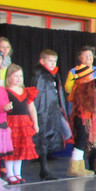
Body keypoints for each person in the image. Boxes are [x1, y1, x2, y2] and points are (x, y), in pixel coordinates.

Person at [64, 46, 96, 177]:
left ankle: (81, 167)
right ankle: (74, 167)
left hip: (93, 109)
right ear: (80, 58)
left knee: (87, 139)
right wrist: (80, 83)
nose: (88, 58)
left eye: (90, 55)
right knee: (81, 136)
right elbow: (68, 89)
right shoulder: (75, 71)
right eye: (85, 56)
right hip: (80, 109)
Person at [31, 49, 68, 180]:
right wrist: (41, 113)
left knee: (49, 138)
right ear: (42, 61)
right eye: (50, 61)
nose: (53, 63)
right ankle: (44, 170)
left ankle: (45, 168)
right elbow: (38, 97)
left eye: (54, 61)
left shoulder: (53, 75)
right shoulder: (40, 75)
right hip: (43, 112)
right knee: (42, 139)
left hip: (53, 111)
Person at [4, 64, 38, 185]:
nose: (19, 78)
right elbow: (3, 110)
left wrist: (35, 123)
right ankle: (10, 174)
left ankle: (17, 173)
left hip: (24, 123)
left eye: (20, 76)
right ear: (9, 77)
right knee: (11, 148)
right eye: (16, 76)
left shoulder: (26, 91)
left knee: (21, 148)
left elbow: (31, 108)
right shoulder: (5, 92)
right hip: (11, 122)